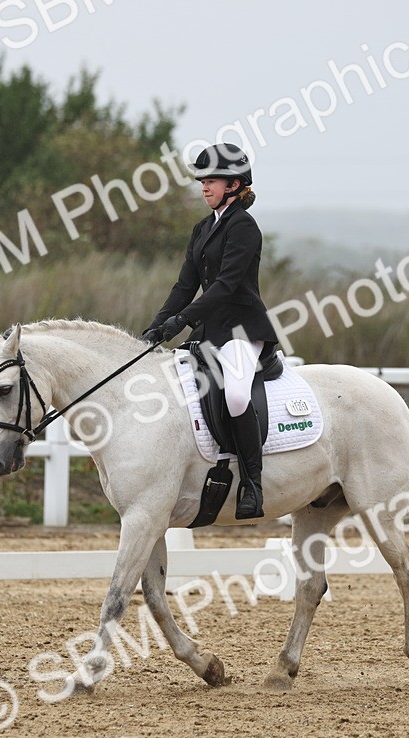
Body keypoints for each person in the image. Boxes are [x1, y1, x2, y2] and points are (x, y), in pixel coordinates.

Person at [142, 143, 278, 519]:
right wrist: (156, 327)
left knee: (235, 395)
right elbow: (185, 285)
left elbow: (226, 286)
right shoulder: (203, 228)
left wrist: (182, 320)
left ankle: (253, 483)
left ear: (234, 184)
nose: (203, 187)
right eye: (202, 181)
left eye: (211, 180)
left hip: (240, 329)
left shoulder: (245, 228)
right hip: (207, 330)